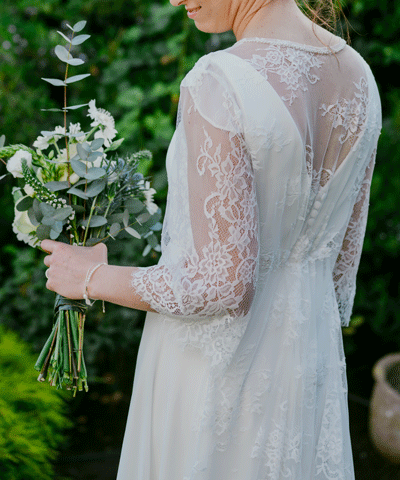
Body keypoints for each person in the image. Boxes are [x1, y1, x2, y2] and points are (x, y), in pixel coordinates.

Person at [42, 0, 382, 478]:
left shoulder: (219, 80)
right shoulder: (360, 75)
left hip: (217, 372)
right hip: (310, 356)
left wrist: (91, 276)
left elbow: (223, 285)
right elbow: (342, 267)